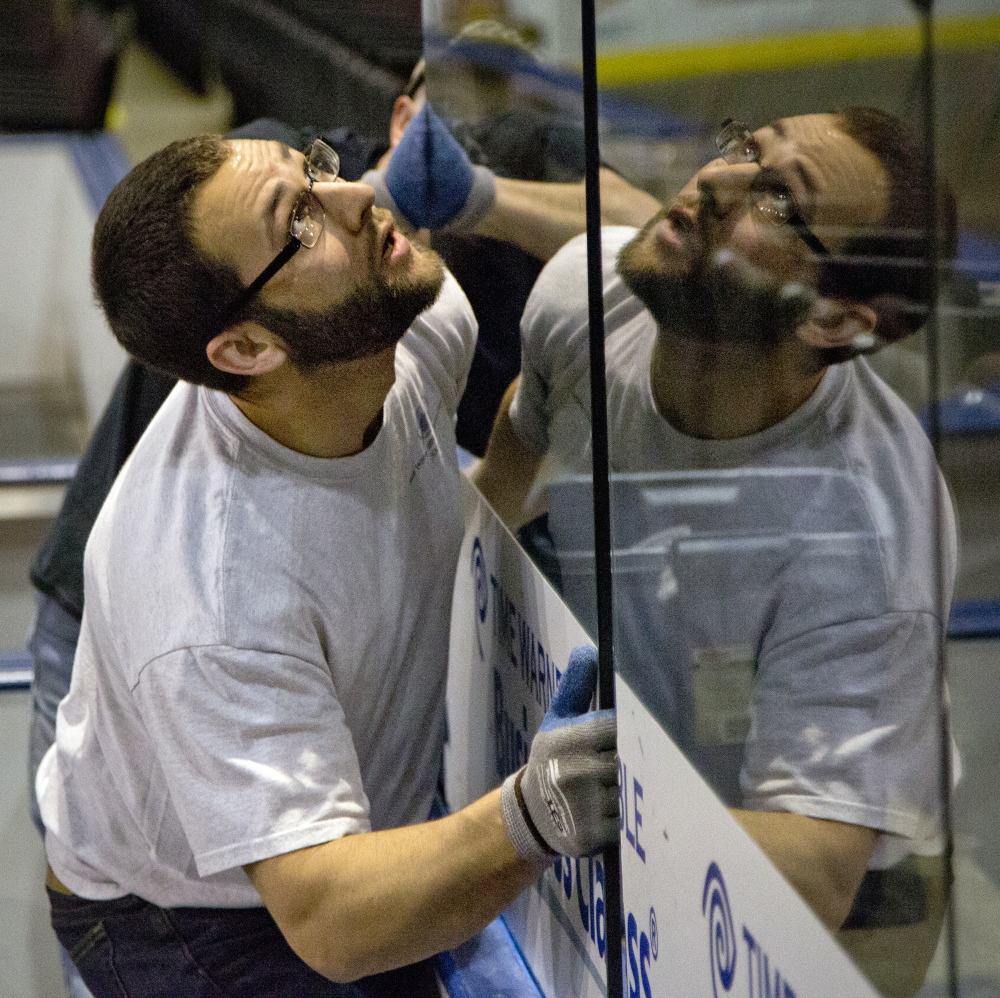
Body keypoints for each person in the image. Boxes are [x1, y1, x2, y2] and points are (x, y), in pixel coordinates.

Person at [34, 132, 619, 997]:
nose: (353, 196)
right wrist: (533, 815)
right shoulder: (214, 594)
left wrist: (523, 439)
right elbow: (330, 917)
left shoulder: (408, 327)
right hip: (189, 921)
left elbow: (393, 531)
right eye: (299, 221)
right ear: (244, 351)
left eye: (312, 166)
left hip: (322, 851)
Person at [474, 107, 958, 998]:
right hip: (634, 809)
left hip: (835, 913)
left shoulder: (868, 537)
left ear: (833, 320)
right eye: (744, 145)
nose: (716, 180)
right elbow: (489, 516)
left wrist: (558, 809)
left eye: (777, 200)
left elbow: (817, 868)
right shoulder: (584, 299)